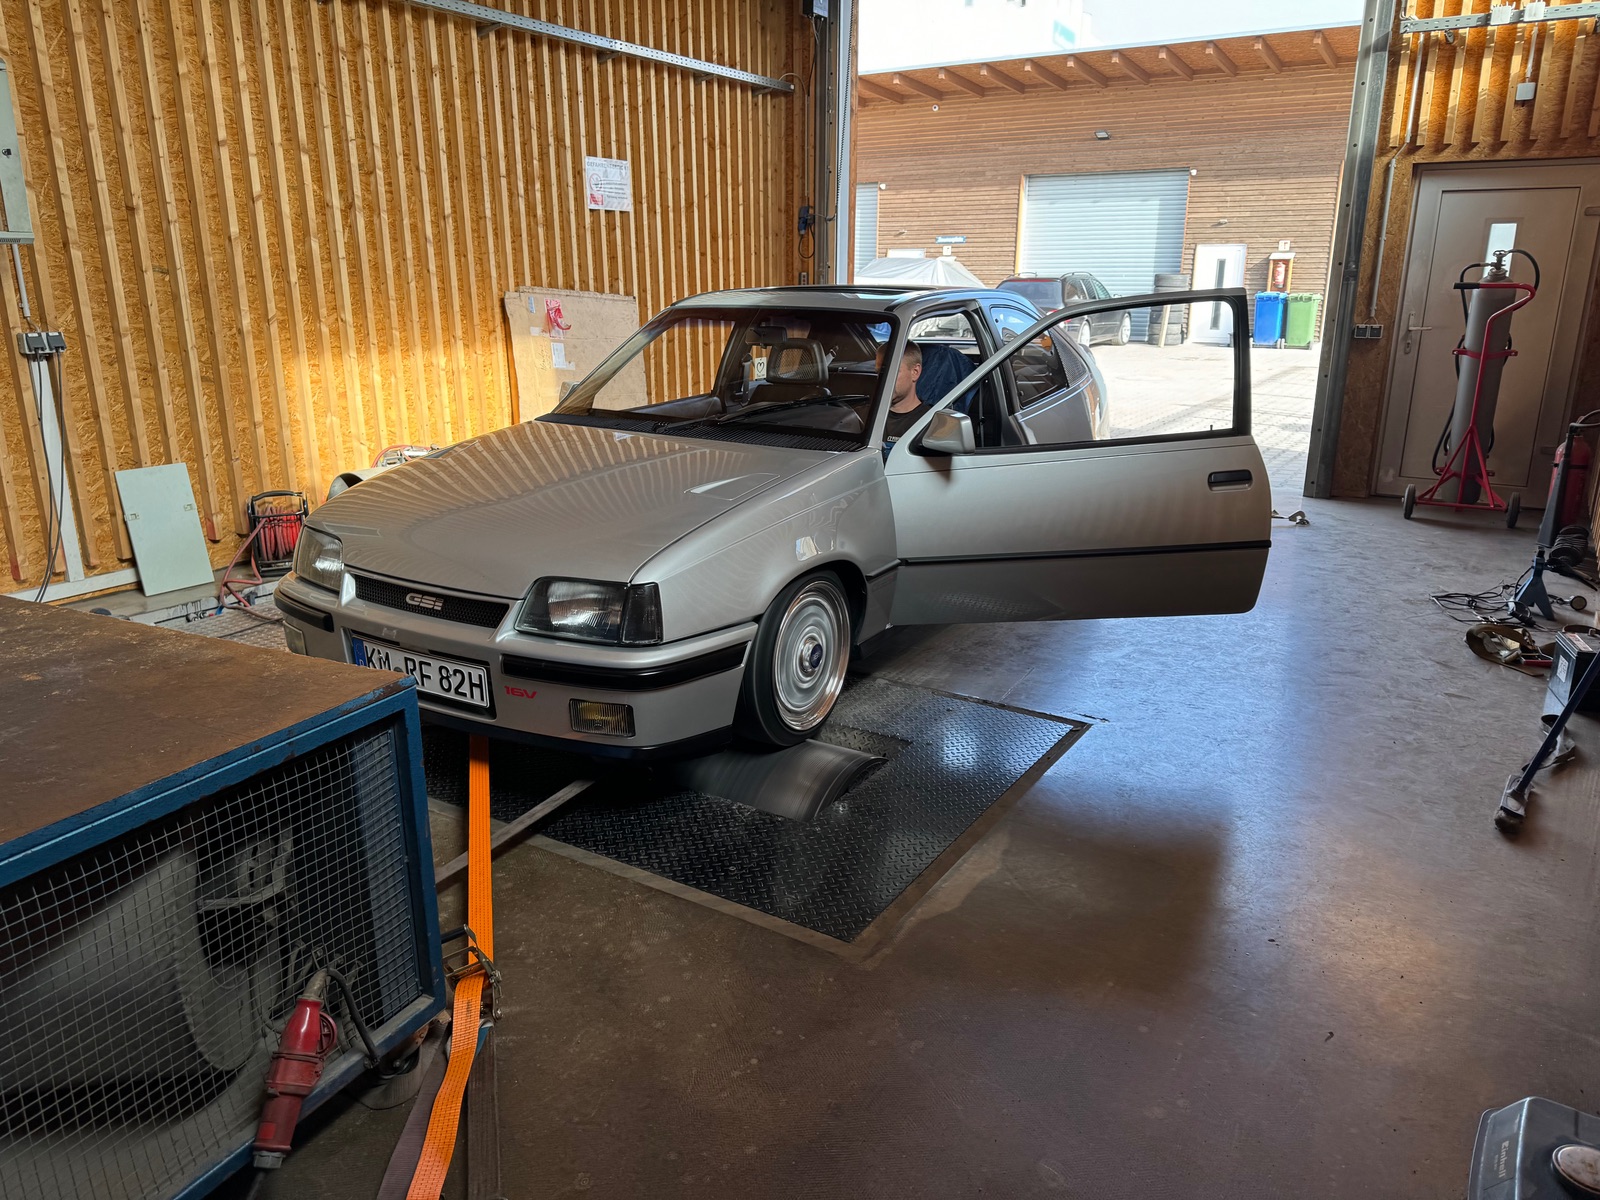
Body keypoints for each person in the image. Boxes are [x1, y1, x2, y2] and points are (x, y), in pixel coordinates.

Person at [876, 341, 925, 442]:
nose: (883, 380)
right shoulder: (866, 417)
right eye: (879, 373)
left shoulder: (929, 422)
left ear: (915, 372)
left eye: (892, 372)